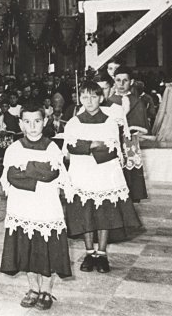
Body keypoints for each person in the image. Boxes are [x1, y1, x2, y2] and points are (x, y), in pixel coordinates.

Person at [63, 80, 141, 274]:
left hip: (104, 172)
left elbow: (112, 149)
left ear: (100, 98)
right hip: (81, 173)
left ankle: (102, 253)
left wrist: (85, 146)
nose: (89, 101)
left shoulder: (109, 121)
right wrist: (91, 145)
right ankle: (89, 252)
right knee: (85, 212)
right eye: (84, 97)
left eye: (93, 97)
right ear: (80, 99)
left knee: (103, 213)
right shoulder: (73, 122)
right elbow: (70, 147)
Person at [0, 103, 72, 311]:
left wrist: (27, 169)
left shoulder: (51, 148)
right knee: (27, 247)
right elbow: (12, 176)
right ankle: (33, 287)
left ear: (45, 122)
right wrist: (37, 170)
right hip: (22, 206)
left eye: (37, 121)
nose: (32, 127)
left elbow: (51, 173)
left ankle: (46, 290)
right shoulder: (14, 148)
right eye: (27, 122)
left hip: (46, 205)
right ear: (20, 124)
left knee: (46, 248)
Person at [109, 66, 148, 201]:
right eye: (118, 80)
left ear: (131, 82)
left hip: (130, 141)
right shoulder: (109, 101)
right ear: (114, 81)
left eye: (125, 80)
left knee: (130, 166)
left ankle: (133, 195)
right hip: (114, 139)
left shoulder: (137, 101)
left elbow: (141, 123)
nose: (121, 84)